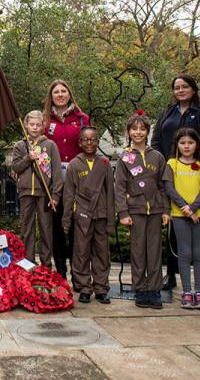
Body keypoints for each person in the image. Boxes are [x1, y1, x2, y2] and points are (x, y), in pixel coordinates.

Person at [150, 74, 200, 295]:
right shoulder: (166, 114)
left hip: (196, 174)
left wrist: (196, 162)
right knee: (172, 226)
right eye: (176, 87)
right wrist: (165, 164)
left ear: (193, 89)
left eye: (184, 87)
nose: (180, 90)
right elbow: (156, 141)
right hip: (171, 172)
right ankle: (171, 273)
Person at [114, 111, 169, 309]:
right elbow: (119, 187)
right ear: (128, 132)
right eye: (134, 129)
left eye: (142, 129)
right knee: (138, 251)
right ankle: (140, 289)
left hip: (155, 211)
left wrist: (165, 210)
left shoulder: (157, 157)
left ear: (147, 131)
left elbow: (163, 186)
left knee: (154, 251)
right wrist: (123, 213)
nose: (138, 132)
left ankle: (154, 289)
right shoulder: (124, 158)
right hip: (135, 211)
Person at [42, 80, 90, 279]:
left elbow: (89, 146)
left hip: (77, 177)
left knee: (76, 225)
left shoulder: (82, 119)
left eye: (63, 91)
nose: (60, 95)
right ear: (51, 96)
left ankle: (78, 271)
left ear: (69, 94)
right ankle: (60, 271)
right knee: (57, 224)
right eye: (56, 92)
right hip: (53, 179)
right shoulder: (44, 120)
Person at [62, 126, 114, 304]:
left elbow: (110, 193)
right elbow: (68, 195)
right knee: (81, 253)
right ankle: (84, 287)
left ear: (97, 141)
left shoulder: (105, 163)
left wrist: (110, 220)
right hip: (82, 216)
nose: (89, 142)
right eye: (85, 139)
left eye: (93, 139)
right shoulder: (74, 165)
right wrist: (66, 219)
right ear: (80, 142)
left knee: (101, 254)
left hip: (100, 215)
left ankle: (101, 288)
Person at [164, 127, 200, 310]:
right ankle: (187, 292)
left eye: (190, 143)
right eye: (182, 143)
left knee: (199, 253)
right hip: (179, 215)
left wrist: (193, 208)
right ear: (177, 144)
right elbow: (169, 188)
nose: (186, 146)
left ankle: (199, 292)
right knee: (184, 253)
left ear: (197, 144)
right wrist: (185, 208)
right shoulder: (171, 164)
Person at [11, 110, 62, 266]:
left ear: (43, 127)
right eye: (31, 124)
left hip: (44, 194)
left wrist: (56, 195)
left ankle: (46, 265)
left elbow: (57, 172)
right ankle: (28, 263)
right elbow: (16, 167)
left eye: (38, 125)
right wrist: (29, 158)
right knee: (27, 229)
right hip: (26, 193)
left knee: (46, 229)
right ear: (26, 125)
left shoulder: (50, 145)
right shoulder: (20, 146)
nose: (34, 127)